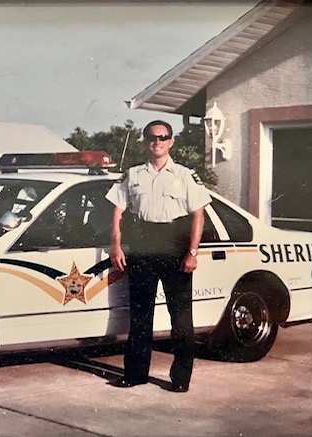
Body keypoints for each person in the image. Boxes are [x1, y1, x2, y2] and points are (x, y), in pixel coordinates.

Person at [105, 120, 211, 392]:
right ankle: (136, 374)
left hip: (174, 243)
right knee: (140, 314)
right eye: (152, 137)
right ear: (145, 141)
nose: (157, 141)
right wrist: (116, 246)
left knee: (181, 317)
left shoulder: (185, 175)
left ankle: (180, 378)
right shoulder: (133, 175)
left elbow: (198, 215)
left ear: (171, 142)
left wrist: (192, 252)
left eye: (163, 137)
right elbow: (117, 213)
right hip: (142, 242)